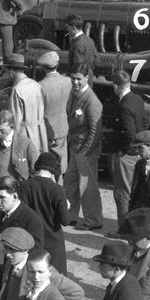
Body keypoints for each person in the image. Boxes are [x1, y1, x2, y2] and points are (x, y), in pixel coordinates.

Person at [64, 64, 103, 231]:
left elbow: (96, 130)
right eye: (73, 78)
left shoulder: (92, 101)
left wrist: (85, 152)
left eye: (79, 79)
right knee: (70, 181)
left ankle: (93, 220)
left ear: (87, 78)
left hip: (85, 150)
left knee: (88, 186)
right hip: (75, 147)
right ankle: (69, 216)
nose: (75, 82)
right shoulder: (74, 94)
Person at [108, 70, 146, 228]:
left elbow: (129, 133)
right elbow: (144, 122)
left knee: (122, 194)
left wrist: (125, 152)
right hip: (137, 153)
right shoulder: (137, 99)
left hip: (127, 155)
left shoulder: (124, 105)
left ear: (115, 86)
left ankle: (124, 229)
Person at [37, 51, 71, 173]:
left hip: (46, 131)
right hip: (62, 128)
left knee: (47, 166)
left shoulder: (40, 86)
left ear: (43, 68)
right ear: (58, 65)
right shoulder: (68, 81)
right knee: (61, 166)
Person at [7, 54, 48, 155]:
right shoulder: (36, 85)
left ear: (11, 72)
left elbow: (15, 120)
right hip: (40, 131)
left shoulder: (17, 90)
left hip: (25, 133)